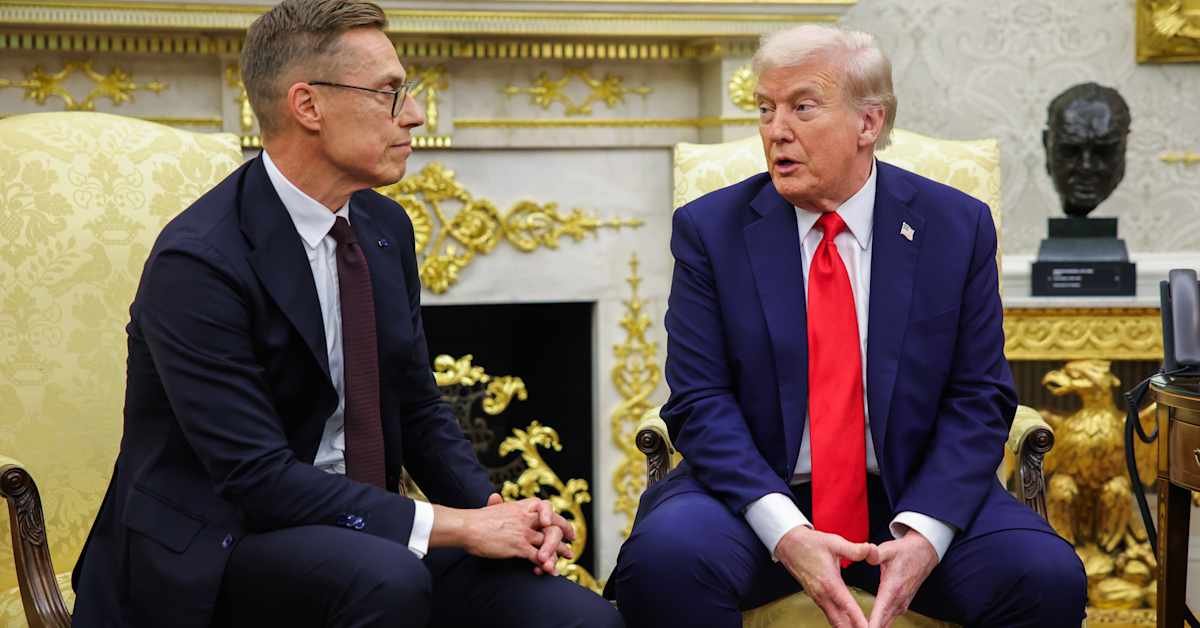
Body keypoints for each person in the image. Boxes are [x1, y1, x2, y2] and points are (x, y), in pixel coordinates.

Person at [69, 1, 623, 626]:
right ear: (309, 106)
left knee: (579, 618)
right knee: (386, 578)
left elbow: (417, 406)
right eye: (389, 93)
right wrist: (461, 527)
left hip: (367, 534)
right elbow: (256, 478)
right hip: (218, 549)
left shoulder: (383, 227)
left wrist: (496, 512)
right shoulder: (200, 262)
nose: (414, 114)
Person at [611, 24, 1086, 628]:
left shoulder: (954, 226)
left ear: (868, 122)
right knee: (663, 562)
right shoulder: (710, 229)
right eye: (765, 108)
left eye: (802, 107)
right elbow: (699, 401)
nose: (776, 130)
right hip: (755, 498)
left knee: (1045, 576)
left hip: (912, 492)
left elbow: (979, 396)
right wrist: (786, 531)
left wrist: (925, 534)